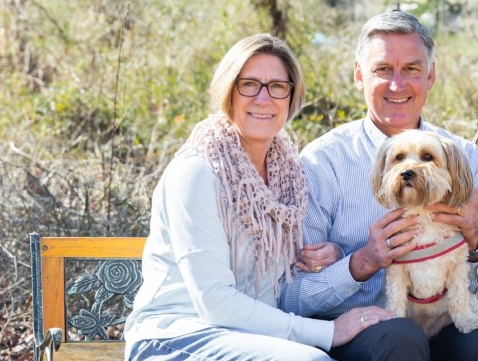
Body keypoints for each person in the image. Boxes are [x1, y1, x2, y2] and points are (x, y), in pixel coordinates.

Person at [124, 34, 393, 361]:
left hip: (252, 337)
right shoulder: (197, 173)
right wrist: (328, 332)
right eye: (249, 84)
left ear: (291, 97)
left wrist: (331, 254)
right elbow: (215, 301)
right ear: (228, 92)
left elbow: (286, 283)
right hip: (175, 334)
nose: (264, 98)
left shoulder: (289, 177)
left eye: (277, 86)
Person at [278, 11, 478, 360]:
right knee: (401, 338)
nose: (397, 84)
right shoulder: (322, 162)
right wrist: (360, 263)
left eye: (411, 69)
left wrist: (475, 242)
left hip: (443, 322)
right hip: (361, 333)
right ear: (359, 76)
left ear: (430, 75)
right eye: (382, 70)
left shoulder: (464, 158)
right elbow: (291, 295)